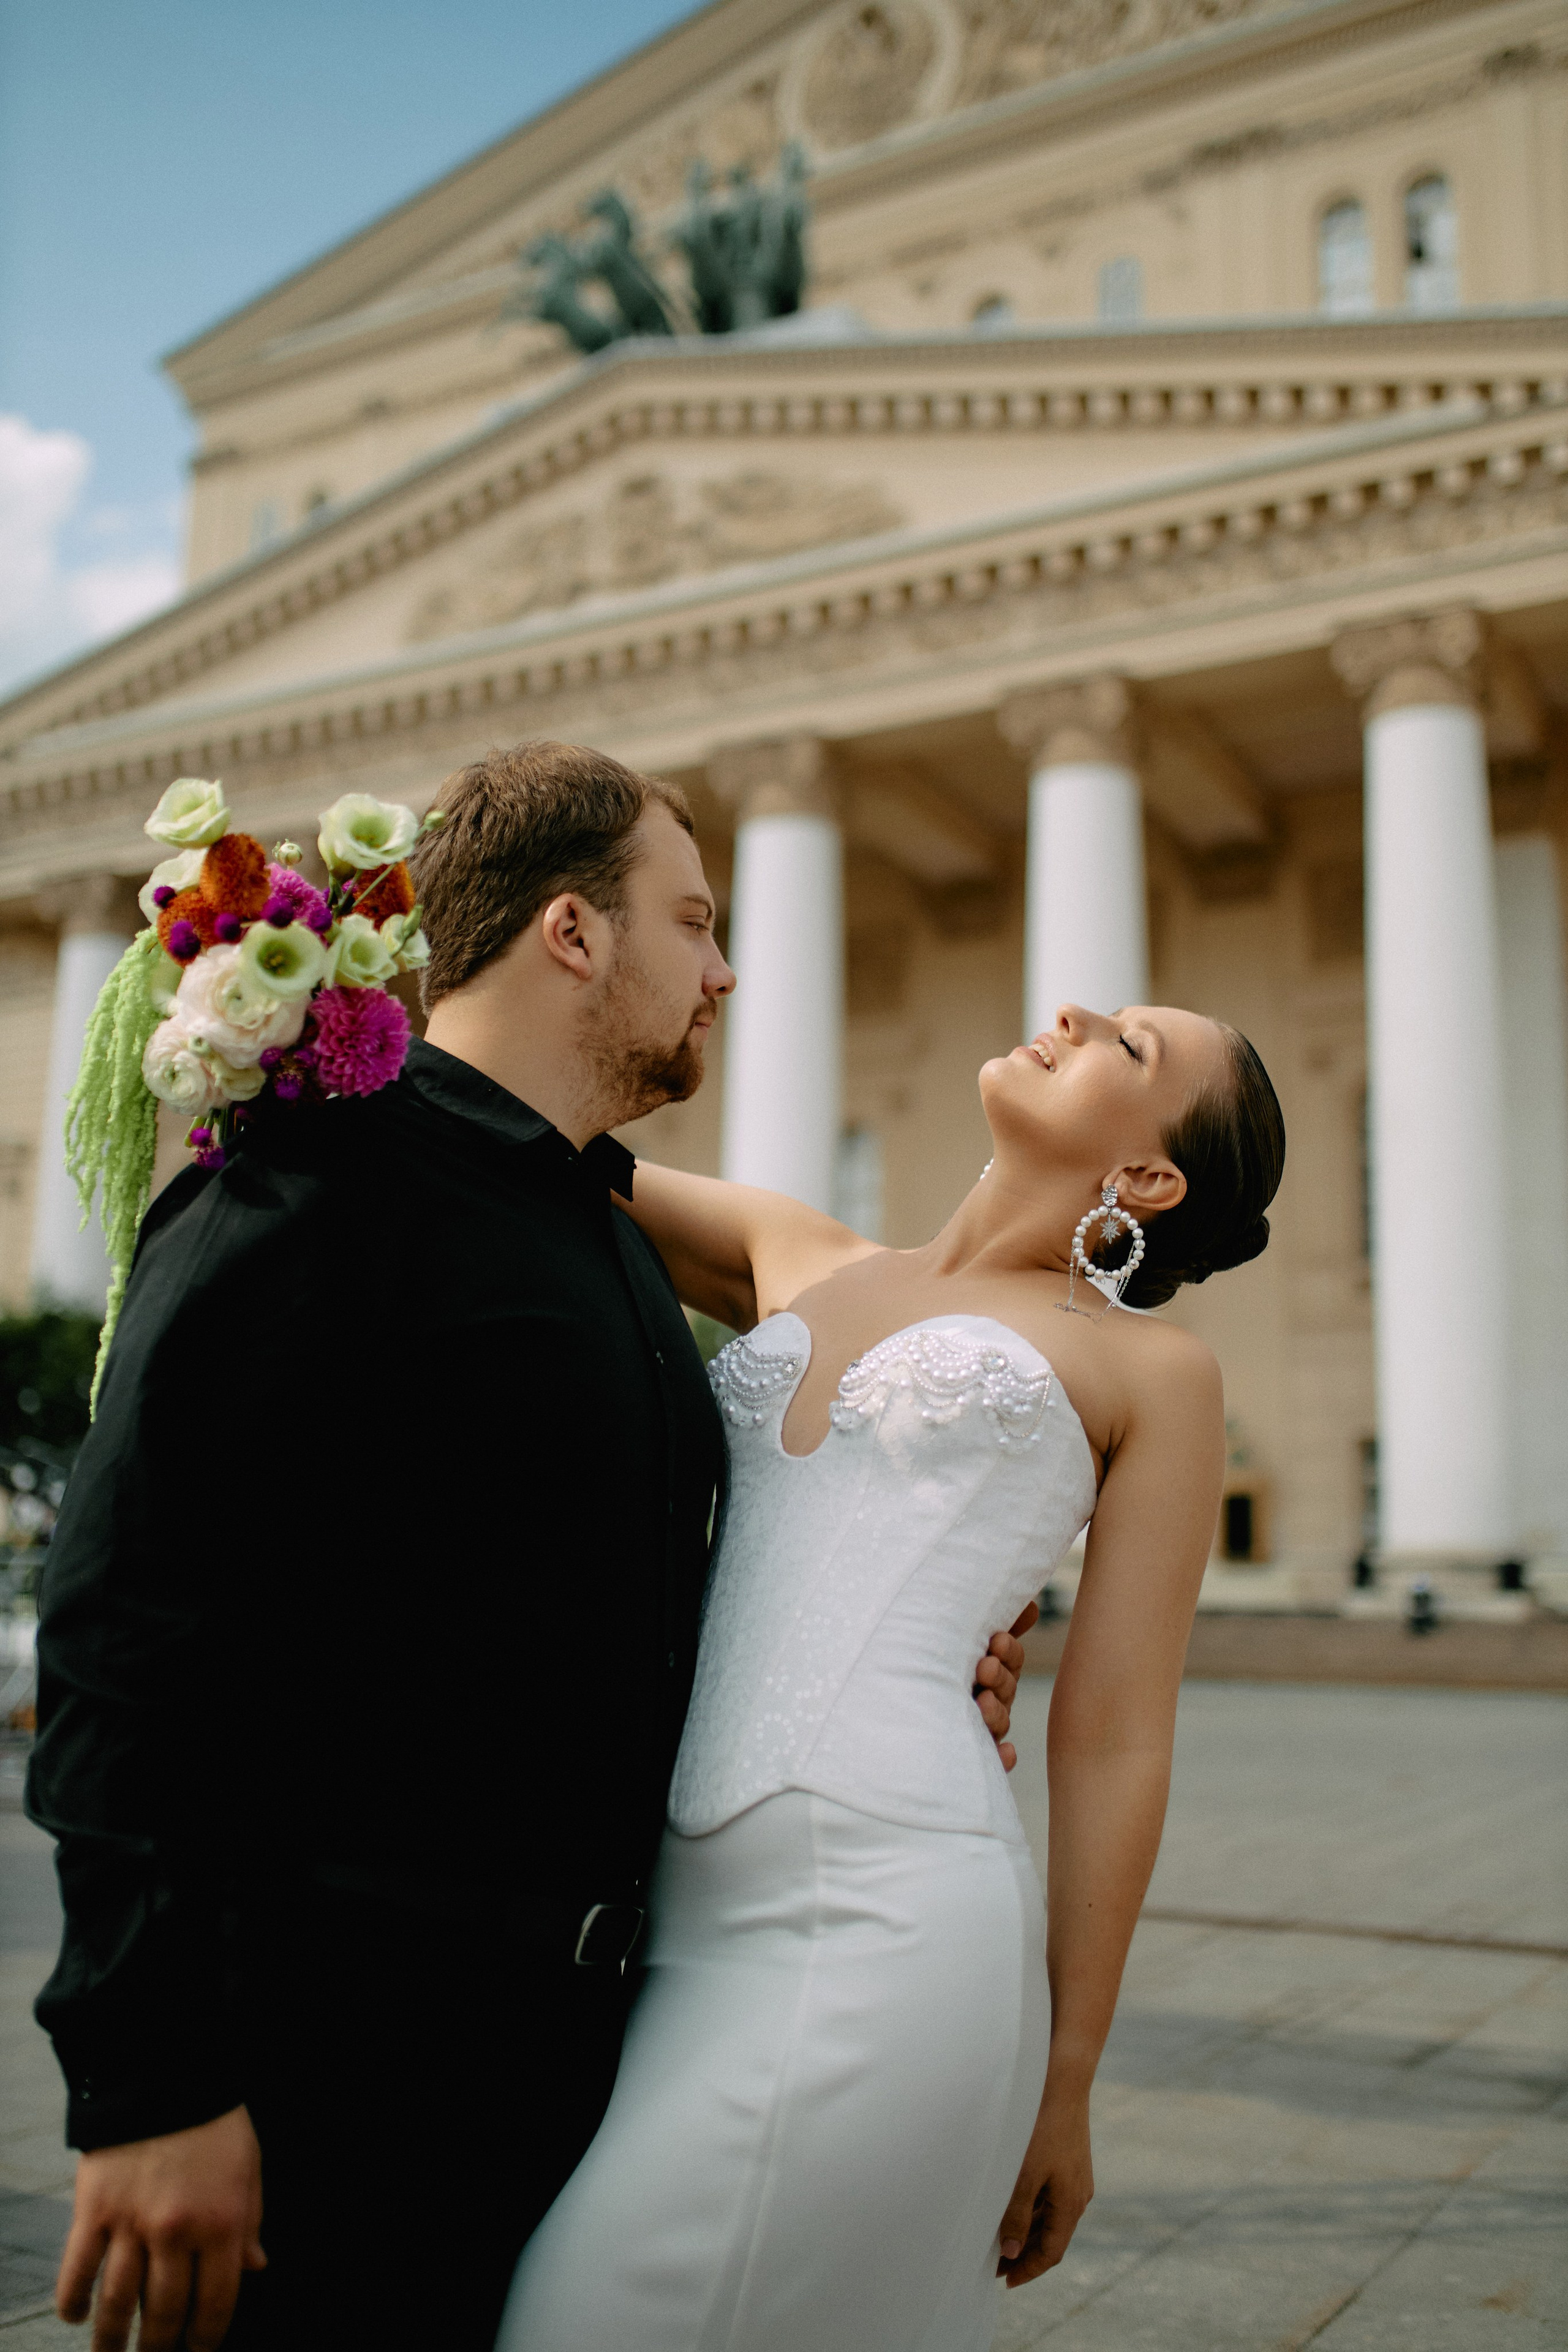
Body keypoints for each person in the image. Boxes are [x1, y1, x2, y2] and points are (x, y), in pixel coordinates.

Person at [25, 741, 1033, 2352]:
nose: (726, 968)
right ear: (572, 933)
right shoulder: (313, 1186)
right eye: (694, 922)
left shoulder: (606, 1243)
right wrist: (151, 2089)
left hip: (576, 2057)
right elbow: (124, 1640)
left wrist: (890, 1673)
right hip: (335, 2067)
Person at [500, 999, 1286, 2350]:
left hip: (893, 1920)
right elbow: (526, 1147)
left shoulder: (1152, 1372)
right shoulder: (787, 1248)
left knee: (586, 2318)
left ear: (1148, 1179)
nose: (1075, 1013)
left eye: (1130, 1046)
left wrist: (1067, 2075)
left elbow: (1111, 1735)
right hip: (663, 1935)